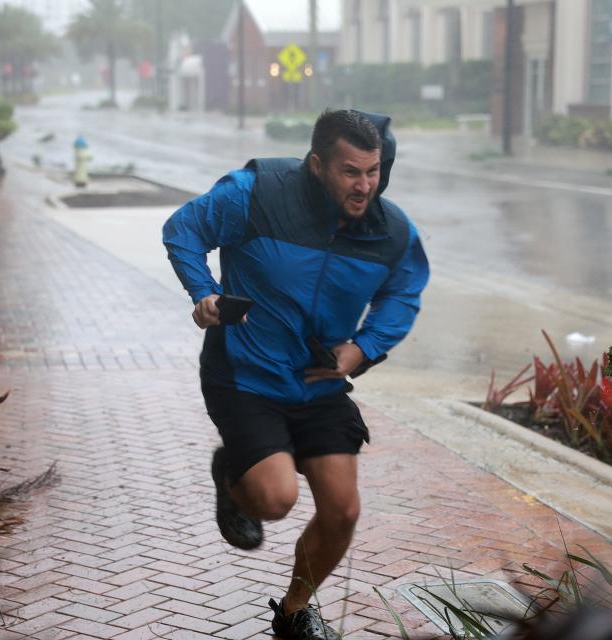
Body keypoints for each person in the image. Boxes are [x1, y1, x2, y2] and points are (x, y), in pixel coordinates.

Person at [162, 109, 429, 640]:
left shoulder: (391, 231)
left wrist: (363, 348)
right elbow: (184, 229)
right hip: (245, 371)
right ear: (317, 166)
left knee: (343, 509)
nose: (365, 185)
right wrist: (204, 291)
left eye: (373, 171)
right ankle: (234, 477)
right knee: (275, 499)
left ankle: (293, 613)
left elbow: (403, 291)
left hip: (318, 380)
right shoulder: (256, 193)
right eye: (351, 172)